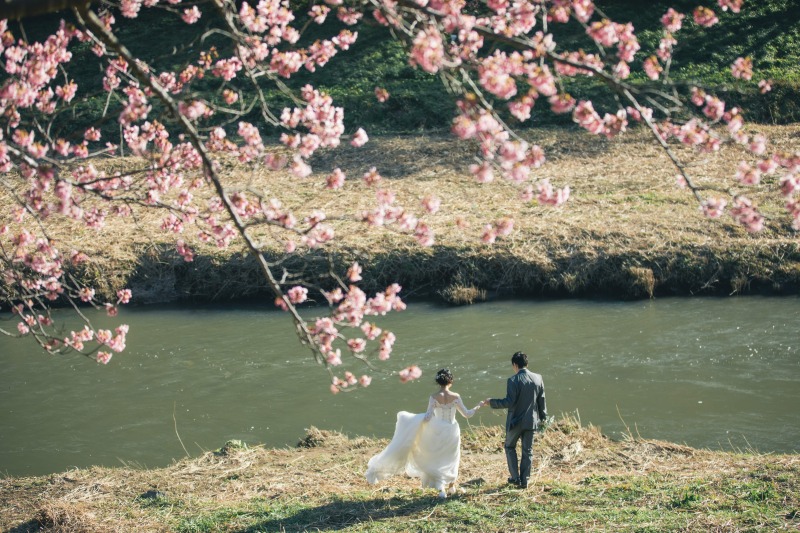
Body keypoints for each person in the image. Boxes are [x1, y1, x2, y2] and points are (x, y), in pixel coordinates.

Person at [365, 368, 484, 498]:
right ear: (451, 380)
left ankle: (441, 488)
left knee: (438, 457)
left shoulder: (433, 397)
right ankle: (452, 487)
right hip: (452, 430)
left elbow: (427, 417)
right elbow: (467, 414)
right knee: (452, 458)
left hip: (437, 429)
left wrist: (413, 421)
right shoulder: (455, 397)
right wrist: (479, 405)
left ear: (438, 382)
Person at [486, 351, 547, 489]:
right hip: (532, 421)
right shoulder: (538, 378)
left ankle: (515, 478)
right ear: (527, 363)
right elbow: (541, 401)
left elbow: (509, 402)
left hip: (515, 422)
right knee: (528, 451)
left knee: (509, 447)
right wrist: (543, 418)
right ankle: (525, 481)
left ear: (515, 365)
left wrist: (491, 402)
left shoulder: (513, 380)